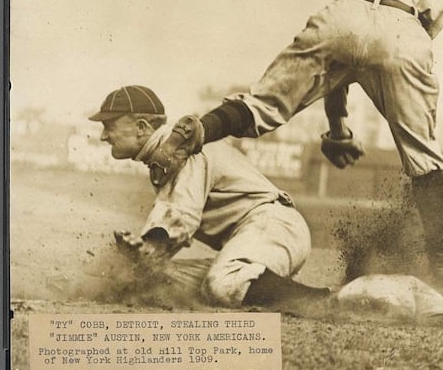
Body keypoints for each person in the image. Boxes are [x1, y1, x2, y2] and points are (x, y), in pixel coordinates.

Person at [149, 0, 443, 274]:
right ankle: (439, 262)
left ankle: (201, 127)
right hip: (402, 33)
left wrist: (339, 131)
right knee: (424, 159)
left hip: (338, 22)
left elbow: (337, 75)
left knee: (262, 104)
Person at [88, 85, 333, 311]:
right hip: (256, 237)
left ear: (141, 127)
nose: (104, 136)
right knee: (154, 281)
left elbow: (181, 218)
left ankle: (326, 302)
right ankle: (263, 281)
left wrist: (148, 247)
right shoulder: (169, 152)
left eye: (109, 126)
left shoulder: (183, 148)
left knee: (222, 284)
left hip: (272, 226)